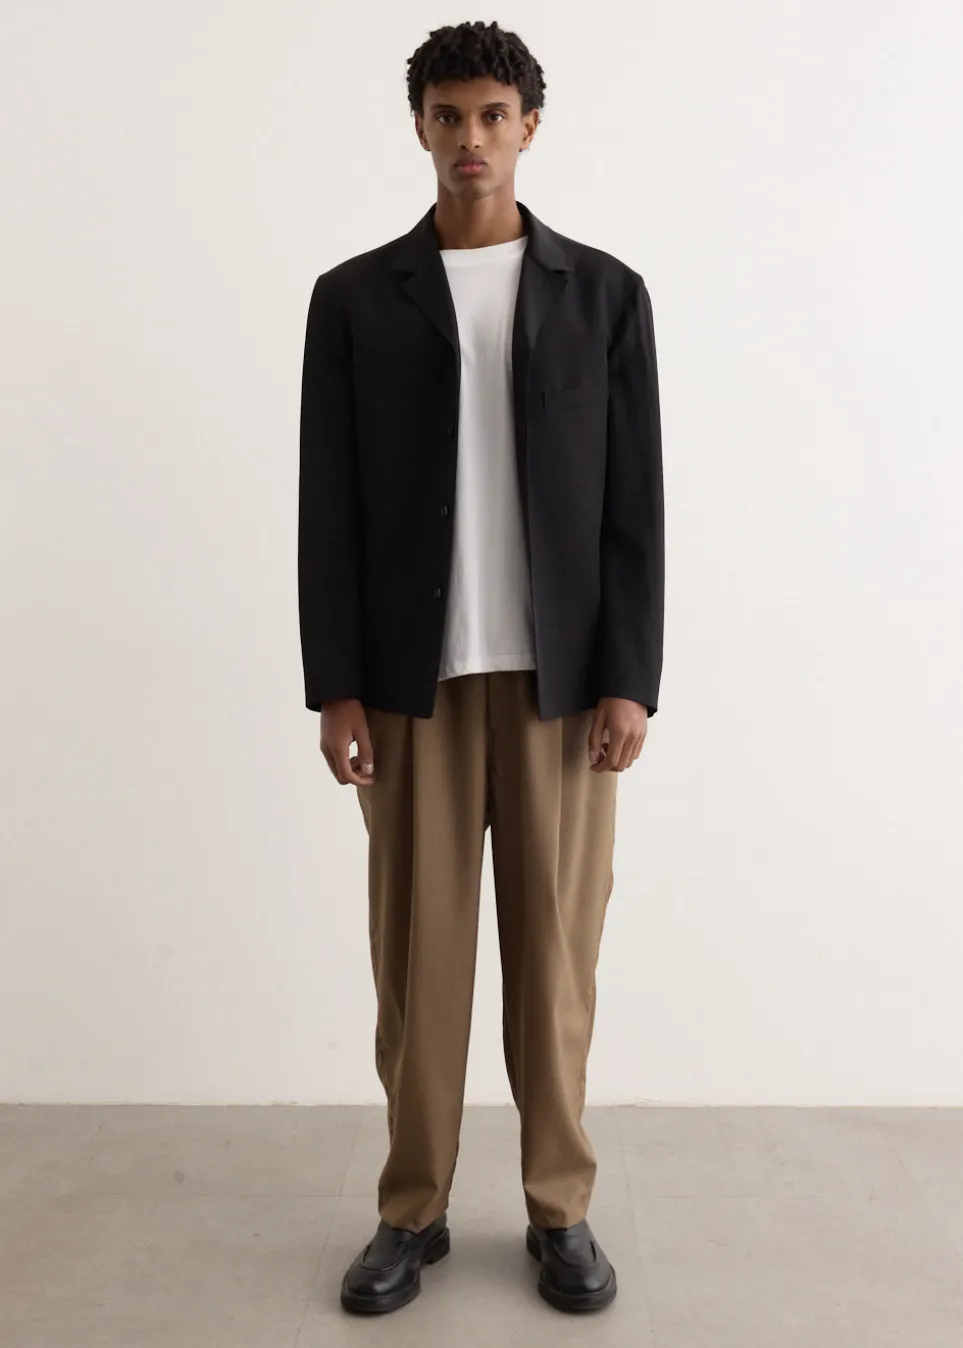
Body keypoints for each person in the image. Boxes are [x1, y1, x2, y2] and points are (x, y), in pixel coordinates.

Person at [298, 18, 664, 1318]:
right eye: (447, 115)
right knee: (419, 963)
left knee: (556, 960)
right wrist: (336, 683)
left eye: (491, 115)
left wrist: (629, 676)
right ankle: (412, 1209)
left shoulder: (603, 295)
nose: (470, 138)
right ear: (419, 126)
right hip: (414, 686)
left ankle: (560, 1208)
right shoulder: (355, 300)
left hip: (564, 689)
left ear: (528, 127)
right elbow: (327, 506)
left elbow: (634, 505)